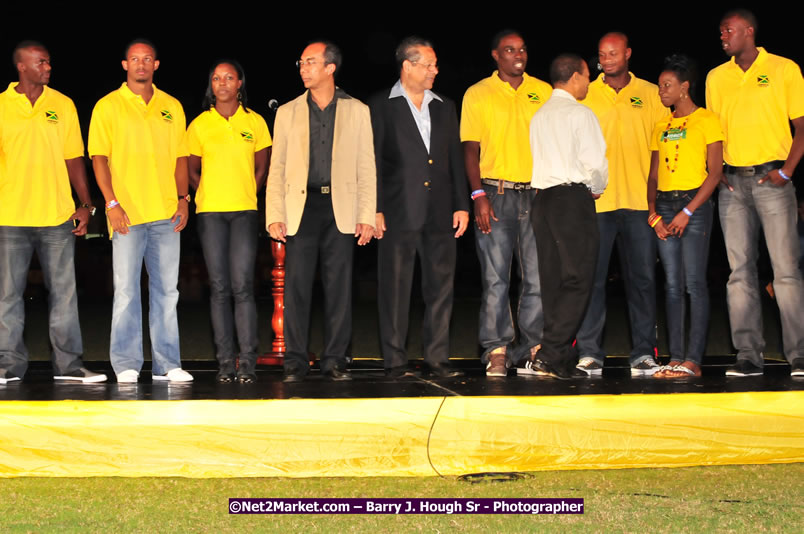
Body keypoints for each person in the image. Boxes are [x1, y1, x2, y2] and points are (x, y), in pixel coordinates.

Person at [266, 41, 376, 383]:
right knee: (297, 286)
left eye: (311, 62)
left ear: (330, 68)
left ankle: (334, 359)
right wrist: (274, 214)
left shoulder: (357, 110)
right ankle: (295, 361)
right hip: (302, 206)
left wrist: (367, 215)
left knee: (339, 287)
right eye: (301, 62)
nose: (303, 67)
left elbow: (366, 166)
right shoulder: (287, 111)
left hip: (340, 207)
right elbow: (277, 167)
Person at [0, 41, 106, 384]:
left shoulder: (62, 104)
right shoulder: (2, 105)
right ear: (21, 66)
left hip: (57, 216)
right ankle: (7, 367)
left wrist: (86, 204)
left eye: (48, 62)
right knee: (7, 295)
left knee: (64, 294)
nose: (48, 67)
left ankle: (69, 367)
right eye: (41, 62)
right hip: (10, 217)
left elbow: (74, 158)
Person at [706, 9, 804, 377]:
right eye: (720, 31)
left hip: (772, 180)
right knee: (739, 273)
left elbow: (801, 126)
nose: (722, 36)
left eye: (728, 30)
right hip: (732, 184)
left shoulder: (784, 68)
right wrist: (716, 175)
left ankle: (799, 355)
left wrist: (787, 171)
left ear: (749, 31)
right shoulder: (717, 77)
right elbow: (713, 132)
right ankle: (748, 354)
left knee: (786, 272)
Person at [89, 39, 193, 383]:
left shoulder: (172, 106)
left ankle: (167, 364)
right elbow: (98, 159)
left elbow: (181, 158)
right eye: (135, 59)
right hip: (126, 215)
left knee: (167, 292)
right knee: (126, 290)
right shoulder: (107, 106)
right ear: (124, 65)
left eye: (147, 59)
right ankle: (126, 363)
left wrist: (183, 199)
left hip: (166, 212)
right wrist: (112, 204)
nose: (141, 64)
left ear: (156, 65)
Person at [369, 37, 469, 379]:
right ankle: (395, 361)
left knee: (441, 287)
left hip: (440, 211)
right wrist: (376, 208)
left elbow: (455, 159)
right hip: (397, 212)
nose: (434, 71)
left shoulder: (445, 105)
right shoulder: (381, 105)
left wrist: (462, 204)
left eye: (435, 65)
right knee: (395, 289)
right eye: (428, 65)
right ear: (407, 66)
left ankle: (437, 358)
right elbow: (374, 163)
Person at [460, 30, 552, 377]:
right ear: (496, 55)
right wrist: (477, 195)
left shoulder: (542, 91)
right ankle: (497, 349)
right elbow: (470, 148)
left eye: (523, 49)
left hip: (536, 194)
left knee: (537, 278)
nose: (518, 54)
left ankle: (532, 348)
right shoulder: (478, 93)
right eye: (510, 50)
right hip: (494, 193)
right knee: (496, 277)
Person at [575, 33, 667, 377]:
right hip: (596, 203)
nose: (607, 59)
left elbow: (660, 147)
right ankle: (589, 353)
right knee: (592, 280)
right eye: (602, 54)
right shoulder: (586, 93)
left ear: (628, 53)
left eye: (614, 53)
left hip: (639, 204)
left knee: (642, 280)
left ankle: (643, 352)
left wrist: (659, 200)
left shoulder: (649, 93)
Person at [187, 60, 271, 383]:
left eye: (229, 78)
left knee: (243, 287)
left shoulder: (256, 122)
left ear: (240, 84)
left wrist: (249, 191)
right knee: (220, 288)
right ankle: (224, 363)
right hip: (210, 214)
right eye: (216, 78)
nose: (222, 83)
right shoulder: (199, 125)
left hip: (244, 212)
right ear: (212, 85)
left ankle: (247, 362)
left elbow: (262, 167)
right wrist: (207, 192)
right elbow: (192, 170)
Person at [529, 54, 608, 379]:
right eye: (587, 75)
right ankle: (549, 353)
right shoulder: (580, 113)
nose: (588, 82)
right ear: (575, 76)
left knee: (553, 281)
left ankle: (558, 357)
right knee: (578, 278)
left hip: (543, 200)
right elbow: (596, 164)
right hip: (571, 199)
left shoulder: (540, 115)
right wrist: (596, 185)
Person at [647, 55, 724, 378]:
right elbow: (652, 176)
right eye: (661, 85)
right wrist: (653, 215)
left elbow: (716, 172)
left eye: (667, 86)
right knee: (673, 285)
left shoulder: (707, 120)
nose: (661, 91)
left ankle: (693, 359)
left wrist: (688, 211)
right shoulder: (661, 125)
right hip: (663, 206)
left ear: (685, 87)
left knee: (694, 283)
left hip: (695, 204)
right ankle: (675, 357)